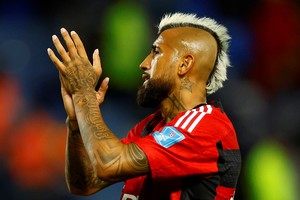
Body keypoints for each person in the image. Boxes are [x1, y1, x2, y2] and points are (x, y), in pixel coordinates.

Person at [47, 12, 241, 200]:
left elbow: (108, 163)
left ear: (184, 64)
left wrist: (84, 95)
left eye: (156, 52)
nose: (143, 63)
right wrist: (75, 122)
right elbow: (84, 184)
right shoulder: (151, 126)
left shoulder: (207, 127)